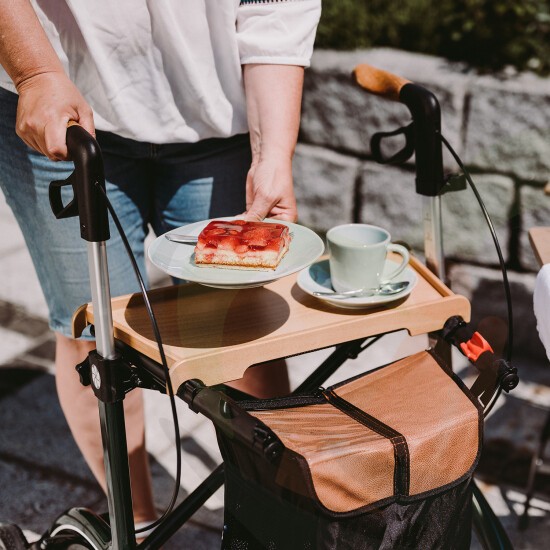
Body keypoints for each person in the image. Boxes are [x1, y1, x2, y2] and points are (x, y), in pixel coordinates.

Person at [0, 0, 321, 533]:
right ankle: (139, 525)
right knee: (94, 330)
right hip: (62, 104)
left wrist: (273, 157)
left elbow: (276, 10)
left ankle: (273, 518)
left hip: (212, 113)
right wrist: (33, 71)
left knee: (243, 323)